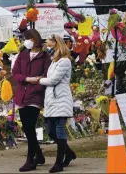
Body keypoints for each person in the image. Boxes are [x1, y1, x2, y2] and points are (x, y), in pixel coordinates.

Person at [12, 29, 51, 172]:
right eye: (24, 38)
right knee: (27, 128)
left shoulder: (44, 57)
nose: (26, 41)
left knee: (29, 126)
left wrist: (36, 87)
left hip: (35, 96)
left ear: (35, 39)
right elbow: (15, 74)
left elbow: (46, 75)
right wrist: (28, 79)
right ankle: (39, 154)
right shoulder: (22, 55)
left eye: (28, 38)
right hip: (22, 95)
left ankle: (31, 160)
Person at [37, 34, 77, 173]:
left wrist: (39, 80)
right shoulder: (54, 61)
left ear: (55, 43)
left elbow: (53, 80)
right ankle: (70, 153)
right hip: (52, 99)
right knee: (50, 131)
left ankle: (59, 162)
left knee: (59, 131)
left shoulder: (64, 61)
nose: (46, 42)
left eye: (49, 40)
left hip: (61, 98)